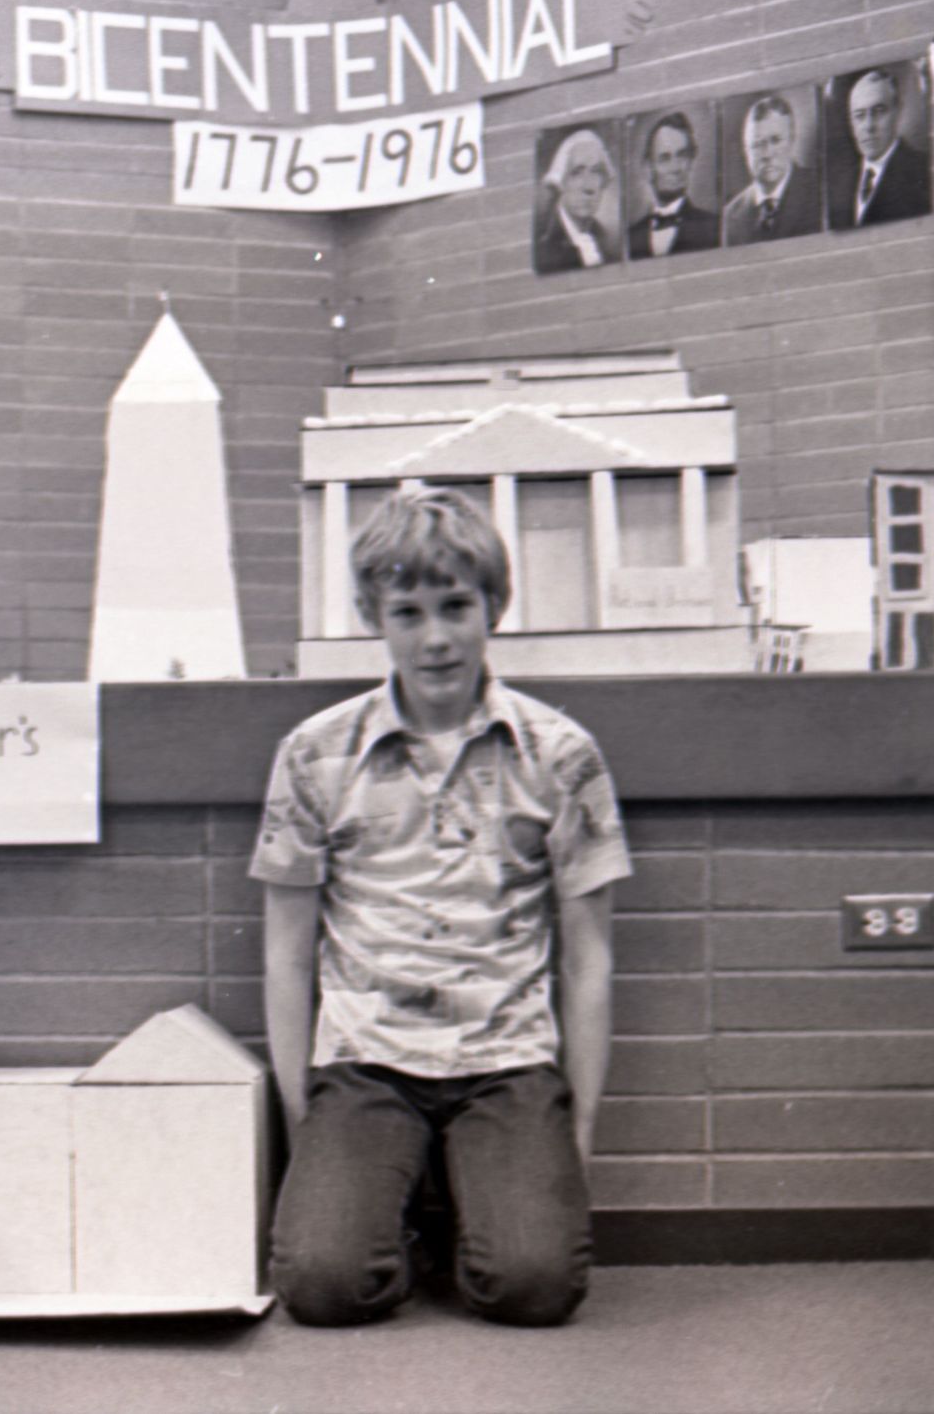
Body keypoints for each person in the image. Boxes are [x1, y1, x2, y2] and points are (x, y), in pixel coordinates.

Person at [255, 488, 627, 1328]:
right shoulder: (314, 755)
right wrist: (303, 1118)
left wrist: (578, 1135)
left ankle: (484, 1205)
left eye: (456, 606)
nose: (435, 638)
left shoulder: (560, 754)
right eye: (408, 612)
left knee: (536, 1287)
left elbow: (590, 959)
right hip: (366, 1056)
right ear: (373, 619)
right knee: (322, 1285)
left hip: (507, 1056)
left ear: (493, 605)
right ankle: (400, 1221)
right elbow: (285, 953)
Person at [829, 67, 931, 229]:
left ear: (898, 112)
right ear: (851, 122)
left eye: (878, 112)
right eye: (859, 116)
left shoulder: (923, 171)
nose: (869, 126)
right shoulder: (838, 182)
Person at [722, 95, 822, 244]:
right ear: (745, 150)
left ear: (791, 140)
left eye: (775, 140)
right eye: (757, 144)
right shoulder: (731, 215)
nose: (767, 154)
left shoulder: (821, 192)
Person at [625, 111, 720, 258]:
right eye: (665, 158)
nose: (675, 168)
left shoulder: (713, 226)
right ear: (648, 168)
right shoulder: (630, 238)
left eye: (682, 156)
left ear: (690, 161)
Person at [533, 128, 621, 274]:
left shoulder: (605, 240)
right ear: (560, 181)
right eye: (577, 173)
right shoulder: (543, 246)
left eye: (596, 171)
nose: (588, 187)